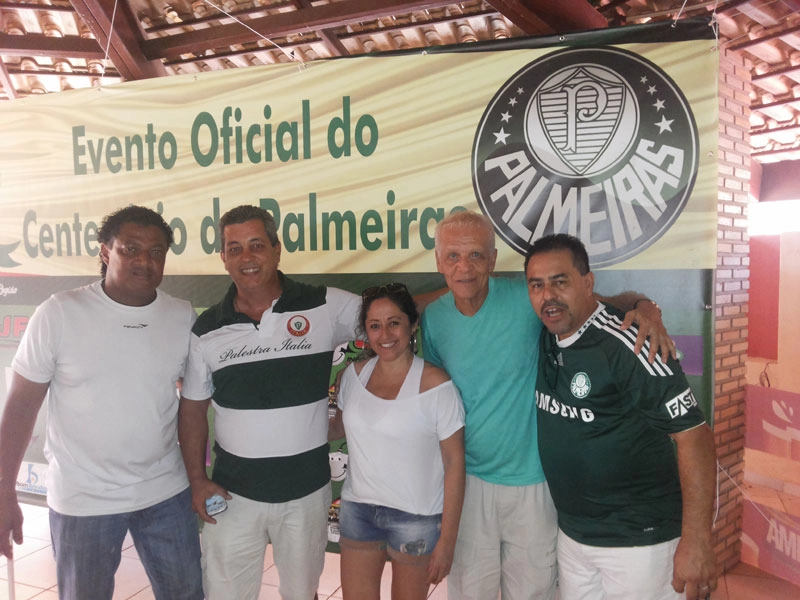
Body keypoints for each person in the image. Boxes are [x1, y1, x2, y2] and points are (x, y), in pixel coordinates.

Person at [420, 210, 673, 600]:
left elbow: (601, 301)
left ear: (491, 259)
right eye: (452, 256)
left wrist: (645, 305)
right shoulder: (433, 320)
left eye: (474, 255)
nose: (463, 267)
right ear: (438, 262)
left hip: (534, 483)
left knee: (533, 592)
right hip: (468, 484)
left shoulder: (528, 297)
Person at [0, 206, 203, 600]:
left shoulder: (181, 316)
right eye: (131, 248)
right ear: (106, 251)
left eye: (157, 251)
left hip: (164, 491)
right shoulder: (59, 313)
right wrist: (4, 488)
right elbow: (21, 407)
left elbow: (192, 403)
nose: (145, 260)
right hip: (83, 499)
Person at [178, 204, 362, 600]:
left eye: (257, 245)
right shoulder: (207, 328)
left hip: (306, 492)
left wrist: (457, 289)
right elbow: (192, 409)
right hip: (232, 493)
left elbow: (391, 320)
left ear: (277, 250)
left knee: (301, 594)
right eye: (235, 248)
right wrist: (196, 480)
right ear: (224, 258)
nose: (247, 257)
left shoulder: (323, 304)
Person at [524, 233, 717, 600]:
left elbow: (695, 436)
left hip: (640, 543)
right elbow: (619, 300)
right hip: (575, 537)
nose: (548, 296)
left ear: (587, 282)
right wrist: (642, 300)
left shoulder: (632, 342)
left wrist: (697, 541)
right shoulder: (549, 331)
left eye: (560, 282)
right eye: (537, 285)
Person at [329, 282, 465, 600]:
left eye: (394, 322)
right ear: (365, 331)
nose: (385, 334)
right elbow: (337, 430)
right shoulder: (353, 376)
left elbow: (455, 464)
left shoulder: (437, 386)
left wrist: (447, 540)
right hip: (359, 510)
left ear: (412, 324)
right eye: (375, 325)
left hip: (415, 517)